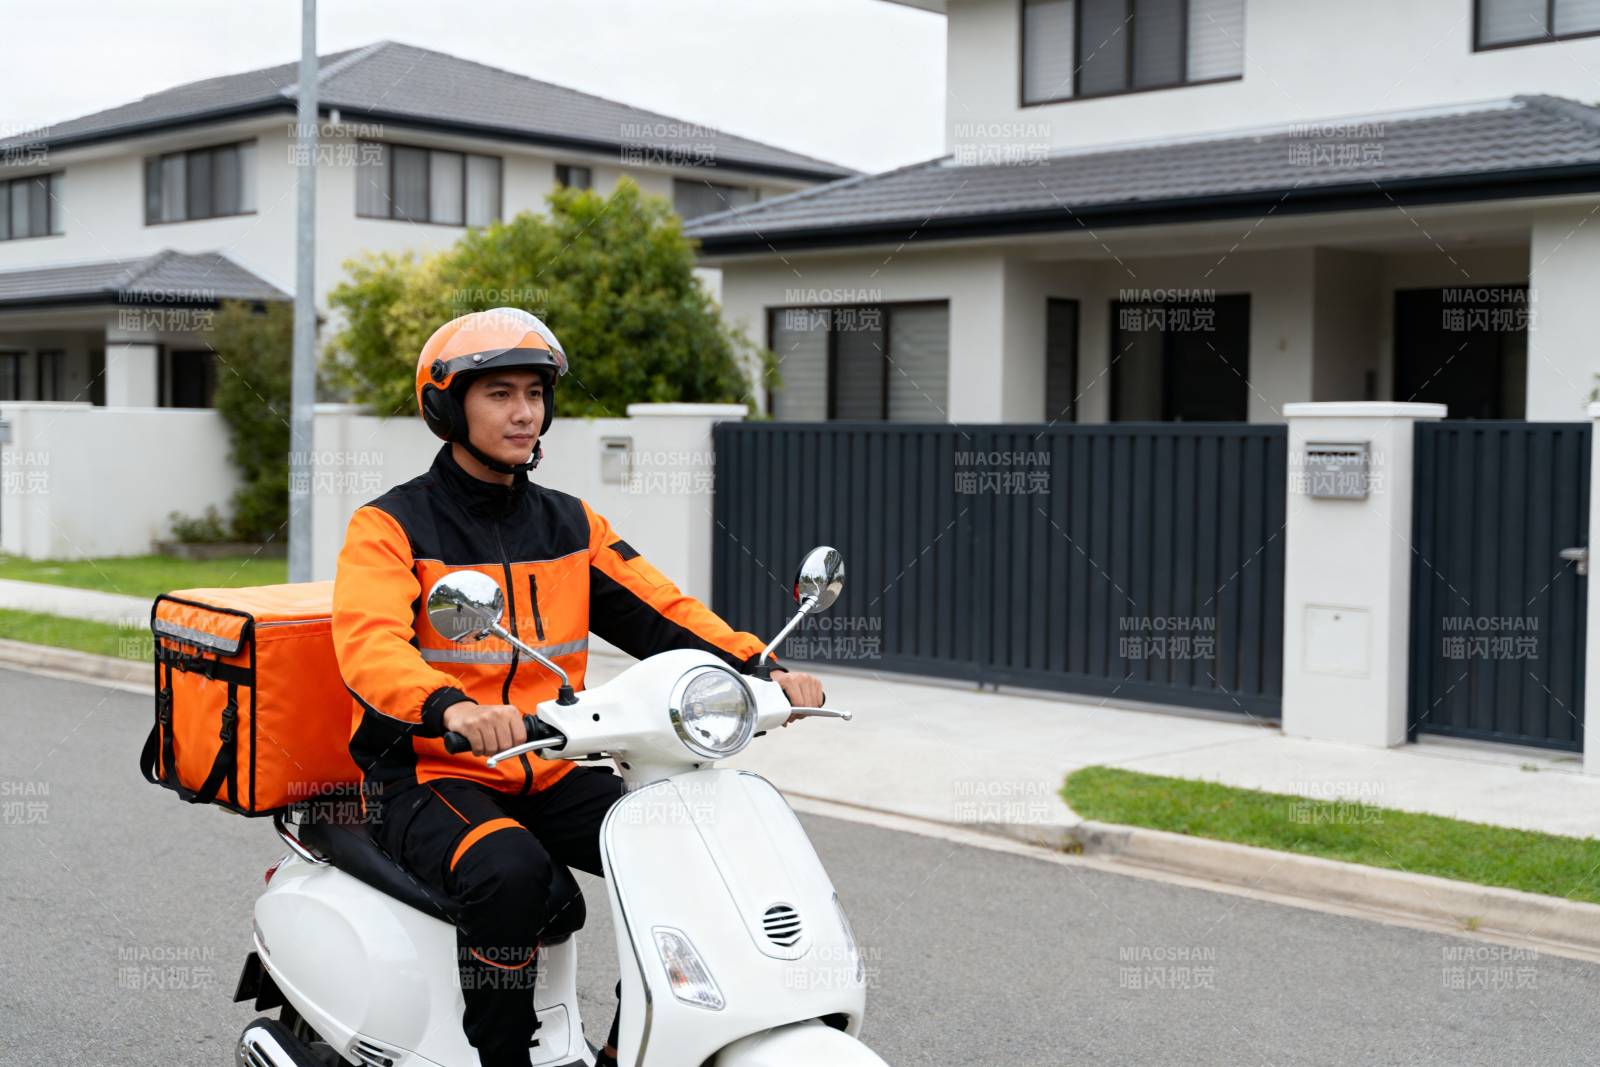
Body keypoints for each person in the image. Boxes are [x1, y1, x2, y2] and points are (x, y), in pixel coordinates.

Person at [330, 308, 823, 1067]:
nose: (524, 412)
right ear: (446, 405)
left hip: (550, 762)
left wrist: (759, 668)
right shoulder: (390, 525)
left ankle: (639, 1046)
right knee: (511, 872)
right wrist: (451, 707)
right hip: (431, 772)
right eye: (498, 393)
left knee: (688, 853)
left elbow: (663, 612)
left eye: (534, 392)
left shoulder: (570, 524)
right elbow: (369, 643)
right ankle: (504, 1057)